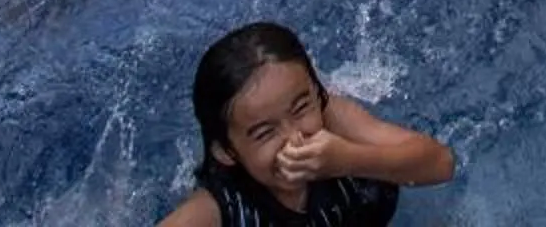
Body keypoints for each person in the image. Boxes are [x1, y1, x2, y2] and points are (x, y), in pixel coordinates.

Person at [159, 22, 455, 227]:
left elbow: (440, 164)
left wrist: (349, 160)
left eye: (301, 108)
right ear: (227, 151)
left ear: (317, 93)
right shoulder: (221, 208)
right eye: (265, 133)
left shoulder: (336, 121)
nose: (295, 139)